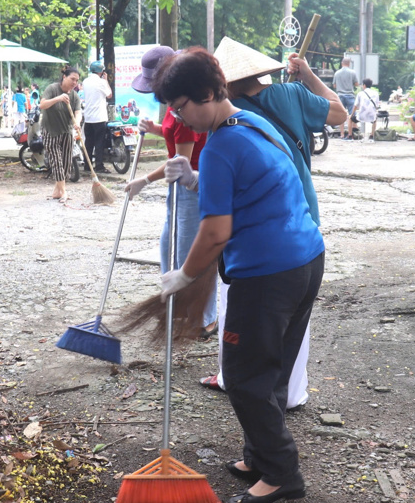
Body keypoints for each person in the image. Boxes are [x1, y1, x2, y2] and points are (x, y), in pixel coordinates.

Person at [153, 47, 325, 503]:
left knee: (244, 377)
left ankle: (281, 473)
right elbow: (259, 184)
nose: (178, 116)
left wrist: (184, 276)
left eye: (181, 106)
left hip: (268, 272)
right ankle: (258, 455)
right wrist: (193, 180)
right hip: (306, 258)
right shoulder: (250, 122)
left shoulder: (222, 146)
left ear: (208, 93)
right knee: (271, 370)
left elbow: (215, 232)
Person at [200, 37, 346, 406]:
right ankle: (291, 392)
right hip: (302, 215)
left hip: (256, 231)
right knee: (295, 314)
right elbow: (339, 112)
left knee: (244, 310)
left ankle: (240, 382)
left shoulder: (228, 119)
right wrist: (310, 76)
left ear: (224, 83)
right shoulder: (293, 95)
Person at [124, 45, 216, 337]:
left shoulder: (185, 115)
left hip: (192, 186)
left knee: (190, 255)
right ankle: (179, 308)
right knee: (169, 248)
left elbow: (179, 163)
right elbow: (171, 133)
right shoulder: (175, 110)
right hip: (178, 189)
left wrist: (145, 180)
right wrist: (153, 128)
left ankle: (204, 318)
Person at [39, 67, 82, 203]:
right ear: (64, 77)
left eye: (77, 80)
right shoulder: (52, 89)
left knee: (66, 163)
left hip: (67, 132)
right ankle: (64, 192)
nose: (74, 82)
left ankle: (57, 191)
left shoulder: (74, 95)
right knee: (56, 161)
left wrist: (77, 122)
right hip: (51, 131)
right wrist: (58, 99)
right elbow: (43, 105)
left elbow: (78, 112)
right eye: (72, 79)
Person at [80, 60, 113, 173]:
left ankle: (87, 165)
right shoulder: (101, 82)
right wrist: (106, 80)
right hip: (99, 117)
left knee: (89, 142)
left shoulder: (85, 81)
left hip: (88, 117)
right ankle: (99, 166)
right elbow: (109, 95)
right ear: (101, 71)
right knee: (99, 142)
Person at [332, 57, 359, 139]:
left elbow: (334, 85)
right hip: (350, 95)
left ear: (341, 63)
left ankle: (342, 134)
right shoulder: (352, 72)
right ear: (349, 63)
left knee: (341, 115)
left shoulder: (337, 73)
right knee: (351, 115)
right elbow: (356, 84)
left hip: (340, 96)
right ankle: (350, 133)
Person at [351, 77, 380, 142]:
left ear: (364, 85)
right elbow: (377, 105)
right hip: (372, 116)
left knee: (351, 119)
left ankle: (351, 136)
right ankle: (372, 135)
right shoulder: (376, 93)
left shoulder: (360, 93)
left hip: (361, 116)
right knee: (375, 120)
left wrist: (352, 114)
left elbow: (355, 106)